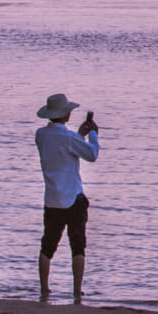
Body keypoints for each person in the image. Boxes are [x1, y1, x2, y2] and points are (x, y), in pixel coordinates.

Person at [34, 92, 100, 303]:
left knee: (47, 247)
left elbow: (62, 148)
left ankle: (44, 289)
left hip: (52, 199)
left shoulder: (40, 135)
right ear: (66, 115)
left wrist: (79, 136)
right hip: (73, 198)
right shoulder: (69, 137)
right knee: (78, 246)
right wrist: (93, 135)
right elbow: (92, 155)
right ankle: (76, 291)